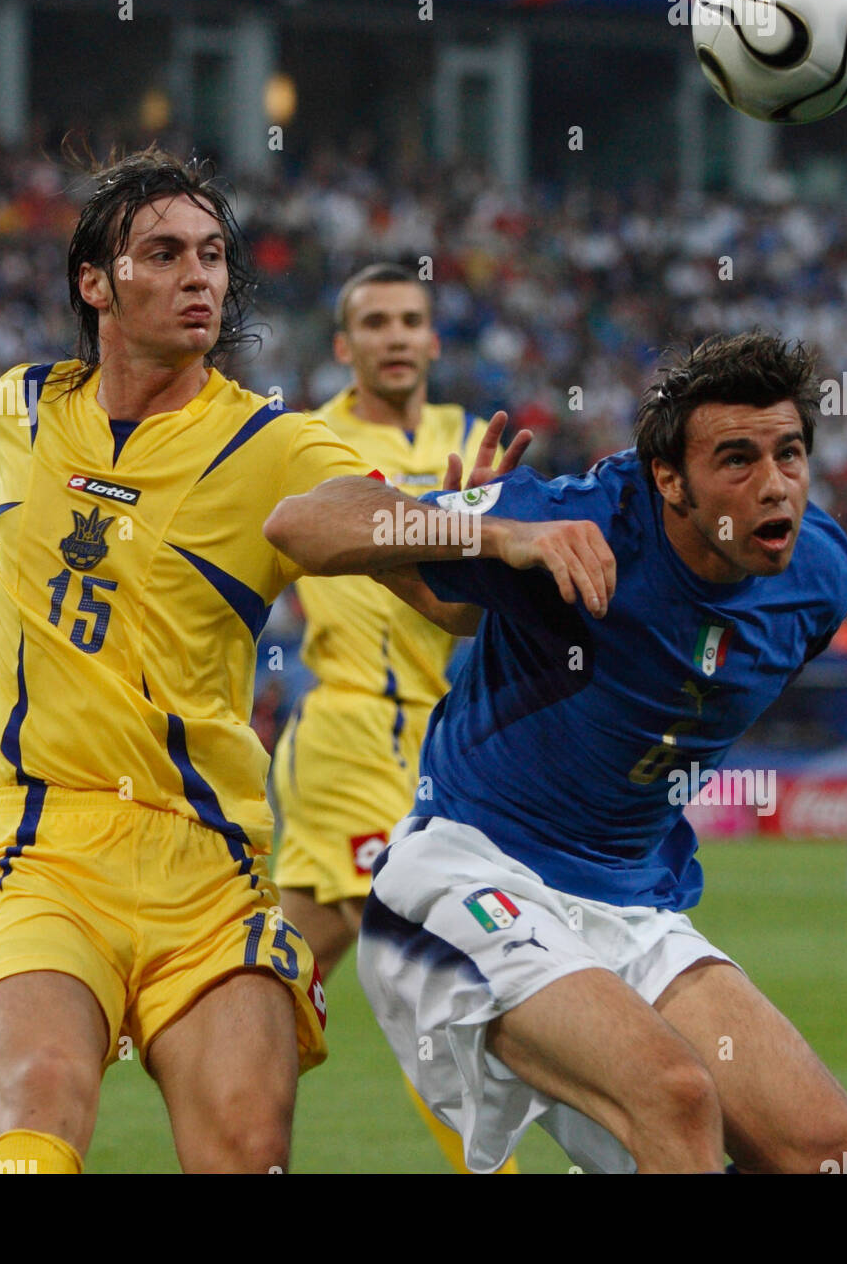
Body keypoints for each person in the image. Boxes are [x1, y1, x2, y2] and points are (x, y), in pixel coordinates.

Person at [0, 146, 383, 1174]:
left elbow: (387, 529)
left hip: (211, 860)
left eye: (212, 254)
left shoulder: (272, 446)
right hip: (40, 840)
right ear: (96, 283)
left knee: (246, 1148)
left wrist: (484, 534)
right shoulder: (30, 411)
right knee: (41, 1104)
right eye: (164, 253)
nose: (201, 275)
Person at [263, 330, 847, 1173]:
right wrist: (492, 536)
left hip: (631, 904)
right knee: (676, 1095)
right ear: (670, 479)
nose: (774, 486)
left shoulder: (819, 575)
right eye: (736, 459)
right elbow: (303, 522)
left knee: (832, 1150)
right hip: (464, 876)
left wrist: (463, 586)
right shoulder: (579, 519)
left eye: (791, 453)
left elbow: (500, 624)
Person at [272, 261, 521, 1173]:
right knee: (428, 962)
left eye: (411, 318)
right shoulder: (312, 442)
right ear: (345, 346)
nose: (396, 335)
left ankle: (221, 1093)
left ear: (434, 338)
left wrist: (500, 527)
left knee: (279, 978)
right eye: (374, 322)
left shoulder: (475, 440)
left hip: (452, 737)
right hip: (355, 728)